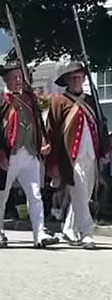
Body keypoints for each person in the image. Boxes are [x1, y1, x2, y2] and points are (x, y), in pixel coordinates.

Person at [0, 61, 59, 248]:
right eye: (14, 77)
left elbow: (37, 124)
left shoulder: (30, 99)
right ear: (6, 79)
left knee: (35, 195)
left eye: (20, 77)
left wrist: (42, 142)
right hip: (8, 156)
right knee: (1, 195)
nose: (19, 80)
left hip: (30, 153)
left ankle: (39, 233)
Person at [47, 62, 110, 249]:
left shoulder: (91, 100)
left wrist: (105, 150)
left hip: (91, 155)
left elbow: (101, 126)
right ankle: (87, 233)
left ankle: (68, 229)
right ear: (66, 80)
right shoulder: (58, 101)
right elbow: (52, 132)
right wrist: (53, 162)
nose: (77, 80)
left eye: (80, 77)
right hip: (70, 158)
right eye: (73, 77)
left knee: (83, 196)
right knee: (81, 194)